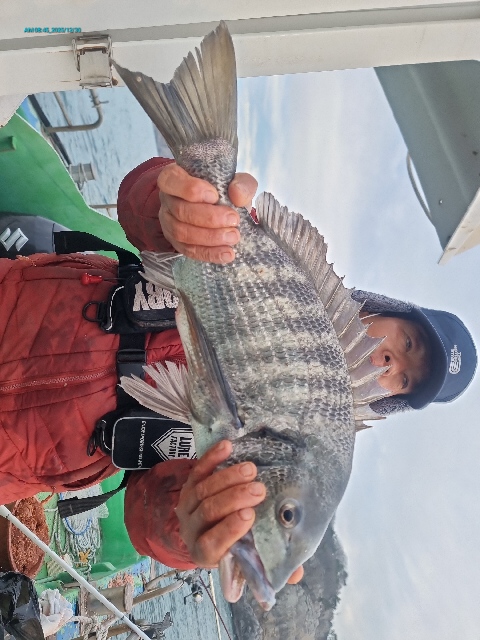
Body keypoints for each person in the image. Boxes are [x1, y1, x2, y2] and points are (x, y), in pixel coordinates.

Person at [0, 157, 476, 587]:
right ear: (389, 310)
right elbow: (135, 201)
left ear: (392, 399)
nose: (390, 362)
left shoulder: (296, 452)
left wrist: (191, 530)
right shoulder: (276, 274)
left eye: (404, 381)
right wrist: (175, 202)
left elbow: (143, 516)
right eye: (407, 342)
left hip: (17, 458)